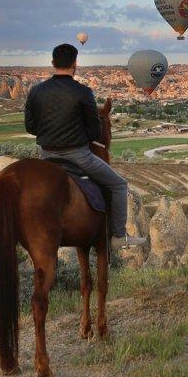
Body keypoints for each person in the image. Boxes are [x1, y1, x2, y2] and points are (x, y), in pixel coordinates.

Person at [24, 44, 146, 249]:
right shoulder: (83, 92)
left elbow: (30, 127)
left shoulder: (36, 91)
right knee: (119, 185)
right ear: (75, 64)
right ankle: (118, 236)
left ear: (53, 63)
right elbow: (93, 132)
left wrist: (50, 134)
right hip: (77, 155)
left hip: (45, 155)